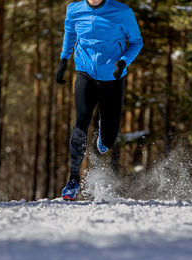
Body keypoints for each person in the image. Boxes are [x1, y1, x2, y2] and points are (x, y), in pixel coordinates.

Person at [56, 0, 143, 200]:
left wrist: (123, 62)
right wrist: (63, 60)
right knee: (82, 120)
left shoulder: (122, 11)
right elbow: (70, 34)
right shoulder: (74, 10)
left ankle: (104, 130)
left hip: (113, 76)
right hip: (85, 72)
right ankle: (73, 180)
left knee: (109, 141)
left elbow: (137, 42)